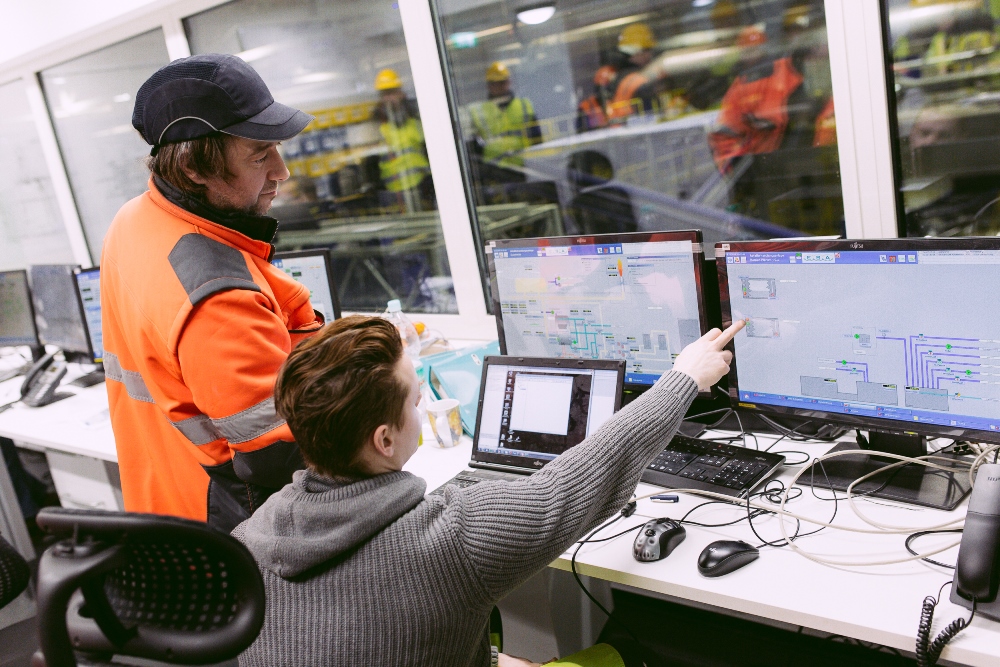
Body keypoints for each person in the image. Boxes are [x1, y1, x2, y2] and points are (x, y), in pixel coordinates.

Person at [234, 315, 744, 666]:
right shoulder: (449, 538)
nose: (421, 411)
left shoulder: (249, 537)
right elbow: (576, 482)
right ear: (384, 439)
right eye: (415, 402)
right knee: (628, 648)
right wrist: (681, 380)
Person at [101, 54, 323, 532]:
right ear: (196, 168)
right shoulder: (217, 293)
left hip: (164, 496)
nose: (281, 171)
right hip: (232, 522)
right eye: (260, 155)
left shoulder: (135, 219)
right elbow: (278, 458)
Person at [469, 61, 542, 183]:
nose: (499, 86)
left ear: (509, 82)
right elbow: (475, 146)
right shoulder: (478, 111)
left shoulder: (524, 105)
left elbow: (537, 136)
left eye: (502, 82)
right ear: (489, 85)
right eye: (494, 83)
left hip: (525, 166)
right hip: (495, 170)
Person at [373, 68, 435, 212]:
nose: (390, 99)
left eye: (392, 93)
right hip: (394, 194)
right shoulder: (377, 127)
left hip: (423, 187)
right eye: (385, 94)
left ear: (401, 93)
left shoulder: (416, 120)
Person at [607, 23, 658, 123]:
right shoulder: (637, 79)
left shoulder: (619, 76)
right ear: (638, 51)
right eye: (648, 50)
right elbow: (651, 113)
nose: (650, 55)